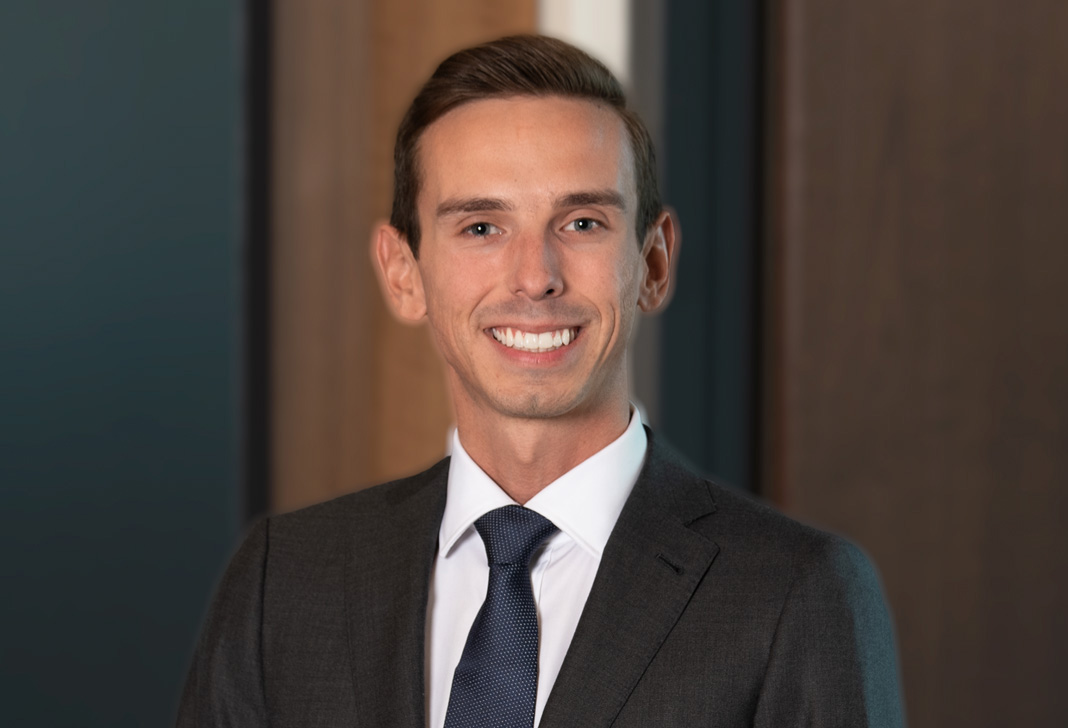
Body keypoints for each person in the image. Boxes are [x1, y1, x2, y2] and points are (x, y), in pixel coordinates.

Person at [177, 35, 904, 727]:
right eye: (481, 228)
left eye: (582, 223)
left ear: (653, 264)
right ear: (403, 274)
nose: (535, 277)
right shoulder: (284, 581)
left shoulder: (795, 593)